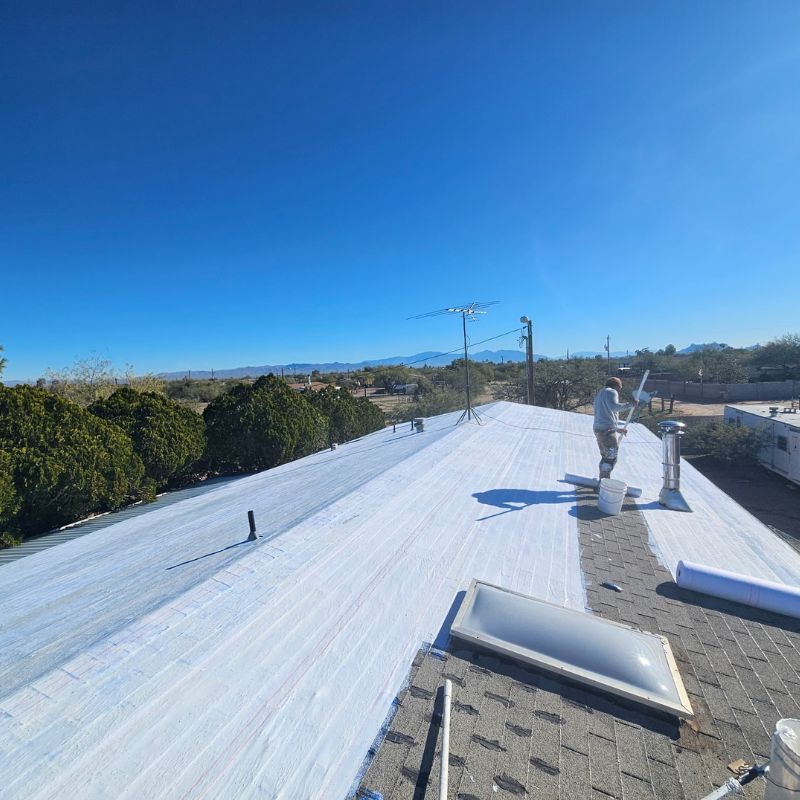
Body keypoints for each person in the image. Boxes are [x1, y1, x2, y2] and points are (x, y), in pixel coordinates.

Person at [593, 377, 638, 479]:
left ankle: (602, 480)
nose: (619, 390)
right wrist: (630, 404)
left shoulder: (600, 393)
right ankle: (604, 483)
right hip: (606, 430)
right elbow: (614, 407)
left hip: (598, 429)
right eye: (620, 387)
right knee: (611, 458)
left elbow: (605, 414)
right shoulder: (612, 392)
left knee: (606, 457)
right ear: (616, 385)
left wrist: (617, 429)